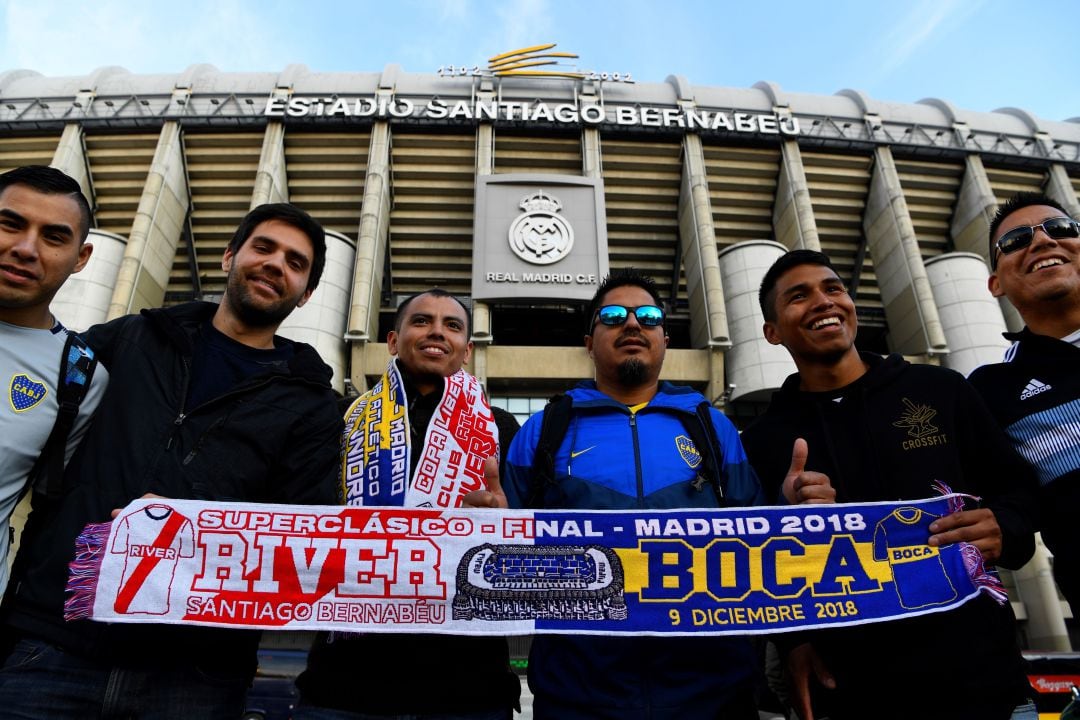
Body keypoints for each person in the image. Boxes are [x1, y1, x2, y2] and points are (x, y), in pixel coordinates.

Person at [0, 202, 343, 718]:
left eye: (296, 264)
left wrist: (197, 530)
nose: (276, 265)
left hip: (194, 673)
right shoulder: (132, 338)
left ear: (307, 294)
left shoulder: (314, 405)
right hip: (52, 644)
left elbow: (299, 537)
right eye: (264, 247)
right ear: (229, 257)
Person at [740, 249, 1039, 720]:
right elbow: (754, 558)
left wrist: (1006, 526)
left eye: (833, 288)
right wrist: (793, 641)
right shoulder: (762, 441)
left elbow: (1020, 493)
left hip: (980, 682)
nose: (823, 302)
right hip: (849, 692)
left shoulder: (941, 391)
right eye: (799, 297)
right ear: (772, 333)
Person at [502, 267, 767, 720]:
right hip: (577, 693)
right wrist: (485, 523)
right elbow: (507, 548)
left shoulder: (711, 425)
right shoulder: (544, 430)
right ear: (588, 342)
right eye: (612, 316)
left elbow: (758, 542)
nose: (631, 324)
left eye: (647, 315)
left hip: (713, 692)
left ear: (665, 338)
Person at [294, 288, 522, 720]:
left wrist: (506, 525)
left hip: (469, 688)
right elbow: (297, 518)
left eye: (452, 325)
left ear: (467, 350)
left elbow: (533, 545)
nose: (437, 331)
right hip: (344, 687)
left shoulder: (502, 429)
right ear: (394, 341)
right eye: (421, 321)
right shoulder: (341, 419)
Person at [968, 192, 1080, 615]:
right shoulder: (992, 392)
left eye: (1060, 229)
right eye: (1015, 240)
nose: (1041, 241)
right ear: (995, 283)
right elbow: (1006, 509)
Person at [0, 165, 107, 594]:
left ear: (81, 258)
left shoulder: (79, 376)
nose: (26, 249)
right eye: (11, 224)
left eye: (54, 237)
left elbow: (56, 506)